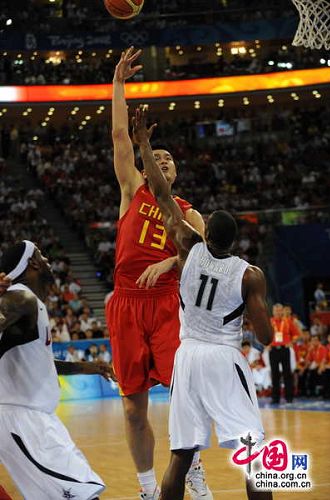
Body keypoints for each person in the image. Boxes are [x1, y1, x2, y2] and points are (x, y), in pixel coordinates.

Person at [132, 106, 273, 500]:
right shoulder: (250, 275)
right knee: (253, 454)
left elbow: (161, 194)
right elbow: (266, 336)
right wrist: (247, 314)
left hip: (187, 355)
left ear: (205, 231)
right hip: (223, 358)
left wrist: (143, 143)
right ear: (236, 241)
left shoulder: (188, 248)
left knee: (180, 456)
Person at [106, 47, 209, 499]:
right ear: (147, 165)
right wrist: (118, 84)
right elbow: (118, 136)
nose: (162, 161)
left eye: (169, 159)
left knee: (184, 400)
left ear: (176, 171)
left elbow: (202, 258)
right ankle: (148, 487)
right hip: (126, 301)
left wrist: (172, 259)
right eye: (157, 156)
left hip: (168, 302)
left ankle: (193, 472)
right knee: (133, 408)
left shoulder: (190, 214)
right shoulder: (131, 190)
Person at [0, 241, 114, 499]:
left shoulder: (29, 303)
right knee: (85, 493)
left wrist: (91, 367)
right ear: (33, 263)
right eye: (41, 254)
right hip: (25, 422)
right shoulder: (21, 297)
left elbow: (40, 363)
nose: (48, 260)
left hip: (31, 420)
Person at [269, 303, 301, 404]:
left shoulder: (288, 321)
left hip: (284, 349)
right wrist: (266, 344)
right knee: (275, 374)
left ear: (282, 311)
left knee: (287, 374)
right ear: (273, 311)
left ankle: (289, 397)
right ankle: (275, 398)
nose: (278, 312)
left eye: (280, 310)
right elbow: (264, 334)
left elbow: (296, 335)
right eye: (276, 310)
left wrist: (291, 342)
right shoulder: (269, 322)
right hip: (273, 350)